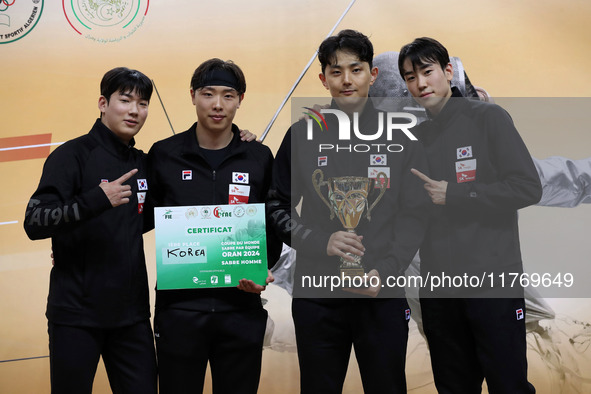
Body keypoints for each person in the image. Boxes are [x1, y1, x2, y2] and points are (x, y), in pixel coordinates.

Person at [267, 29, 430, 393]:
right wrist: (318, 241)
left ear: (372, 75)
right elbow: (277, 204)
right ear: (323, 79)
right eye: (336, 71)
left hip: (381, 293)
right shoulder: (301, 134)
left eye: (356, 70)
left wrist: (385, 271)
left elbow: (415, 213)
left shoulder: (402, 136)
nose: (346, 80)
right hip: (318, 295)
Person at [399, 37, 541, 393]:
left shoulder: (488, 117)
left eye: (427, 72)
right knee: (453, 387)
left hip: (492, 285)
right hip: (439, 292)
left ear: (448, 72)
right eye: (410, 77)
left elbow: (527, 187)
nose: (421, 84)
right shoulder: (414, 138)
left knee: (508, 385)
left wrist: (457, 194)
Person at [147, 58, 280, 394]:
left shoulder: (259, 156)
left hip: (241, 309)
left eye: (228, 95)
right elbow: (136, 219)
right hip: (179, 311)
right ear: (193, 95)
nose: (218, 105)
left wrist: (264, 267)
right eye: (208, 94)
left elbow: (272, 225)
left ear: (241, 99)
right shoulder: (163, 155)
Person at [23, 67, 157, 393]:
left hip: (132, 315)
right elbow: (34, 221)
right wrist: (96, 200)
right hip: (75, 315)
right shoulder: (71, 155)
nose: (134, 110)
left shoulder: (145, 162)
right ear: (102, 103)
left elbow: (152, 218)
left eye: (142, 103)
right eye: (125, 100)